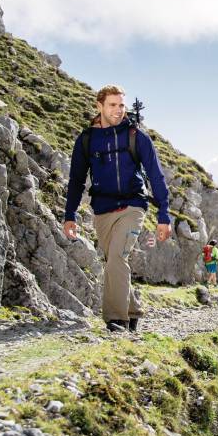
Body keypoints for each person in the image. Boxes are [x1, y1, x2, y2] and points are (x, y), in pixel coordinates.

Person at [62, 84, 171, 332]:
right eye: (112, 105)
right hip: (102, 210)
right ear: (99, 106)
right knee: (113, 260)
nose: (118, 110)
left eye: (121, 105)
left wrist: (163, 215)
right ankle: (132, 311)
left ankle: (116, 319)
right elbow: (76, 180)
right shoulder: (86, 140)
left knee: (117, 258)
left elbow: (156, 176)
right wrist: (70, 215)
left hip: (133, 206)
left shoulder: (136, 136)